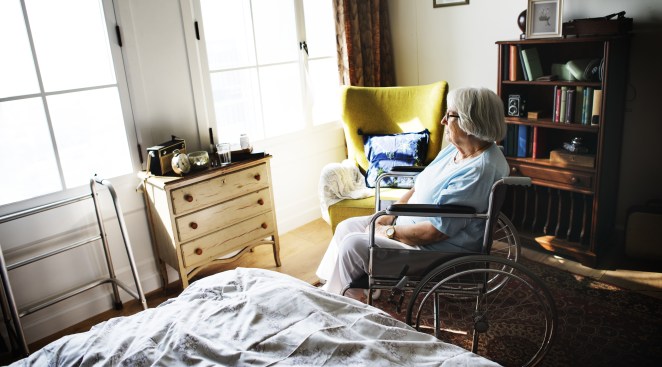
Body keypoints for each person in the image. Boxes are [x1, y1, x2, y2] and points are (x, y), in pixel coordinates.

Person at [316, 87, 509, 294]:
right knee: (346, 227)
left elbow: (435, 232)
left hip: (432, 251)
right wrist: (390, 215)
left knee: (353, 245)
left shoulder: (478, 171)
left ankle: (339, 302)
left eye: (449, 115)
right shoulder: (455, 150)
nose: (443, 121)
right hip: (408, 229)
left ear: (471, 123)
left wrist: (388, 232)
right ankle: (336, 289)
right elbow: (418, 186)